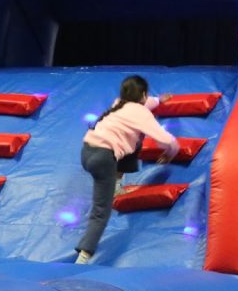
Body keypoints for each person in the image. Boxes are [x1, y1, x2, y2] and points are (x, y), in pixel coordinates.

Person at [76, 75, 179, 264]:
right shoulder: (142, 114)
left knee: (132, 139)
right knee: (101, 212)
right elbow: (166, 140)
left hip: (86, 152)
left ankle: (115, 185)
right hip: (103, 159)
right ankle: (84, 255)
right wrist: (171, 153)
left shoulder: (119, 103)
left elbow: (142, 104)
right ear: (143, 94)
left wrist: (158, 100)